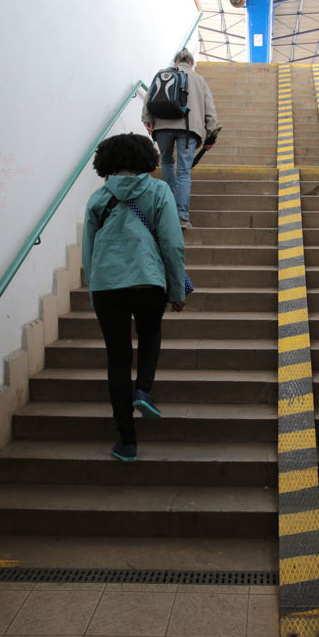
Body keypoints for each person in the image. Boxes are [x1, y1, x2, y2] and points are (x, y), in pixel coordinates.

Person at [82, 133, 187, 462]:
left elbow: (88, 253)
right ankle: (143, 389)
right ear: (147, 159)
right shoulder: (159, 191)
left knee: (117, 360)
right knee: (151, 332)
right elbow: (172, 244)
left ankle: (126, 443)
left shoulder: (98, 198)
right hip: (148, 282)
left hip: (106, 287)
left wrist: (94, 291)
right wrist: (176, 289)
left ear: (106, 163)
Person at [142, 48, 219, 229]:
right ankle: (181, 217)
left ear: (176, 61)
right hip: (188, 130)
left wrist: (147, 120)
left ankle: (168, 212)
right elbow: (210, 109)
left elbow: (148, 98)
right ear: (191, 63)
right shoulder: (199, 80)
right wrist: (211, 135)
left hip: (162, 127)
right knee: (184, 171)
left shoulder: (163, 74)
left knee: (167, 163)